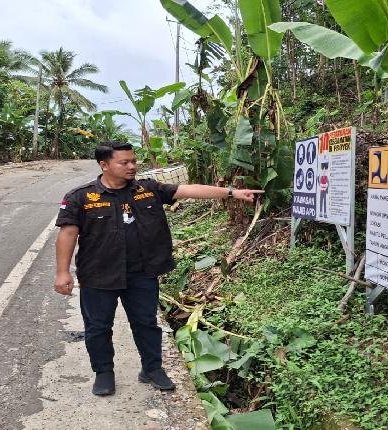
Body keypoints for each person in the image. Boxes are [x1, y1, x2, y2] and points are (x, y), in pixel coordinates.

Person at [53, 141, 262, 396]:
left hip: (142, 273)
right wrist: (62, 272)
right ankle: (104, 372)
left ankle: (152, 369)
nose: (132, 166)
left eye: (133, 161)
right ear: (104, 165)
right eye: (124, 162)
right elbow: (68, 234)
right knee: (98, 327)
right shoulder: (81, 197)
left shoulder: (148, 189)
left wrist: (231, 192)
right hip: (98, 275)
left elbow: (189, 190)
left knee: (146, 323)